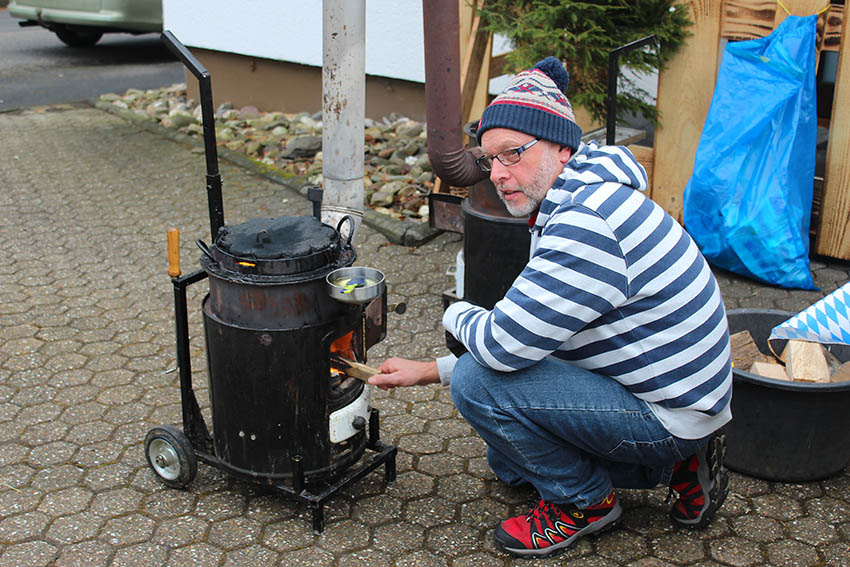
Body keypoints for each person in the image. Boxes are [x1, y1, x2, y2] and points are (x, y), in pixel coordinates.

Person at [369, 56, 732, 559]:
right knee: (510, 461)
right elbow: (546, 335)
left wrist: (453, 313)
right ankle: (679, 468)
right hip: (673, 395)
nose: (497, 174)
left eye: (512, 154)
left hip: (668, 413)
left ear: (561, 148)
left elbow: (500, 348)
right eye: (489, 159)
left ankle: (586, 503)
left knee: (480, 387)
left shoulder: (587, 223)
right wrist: (429, 370)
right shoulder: (582, 196)